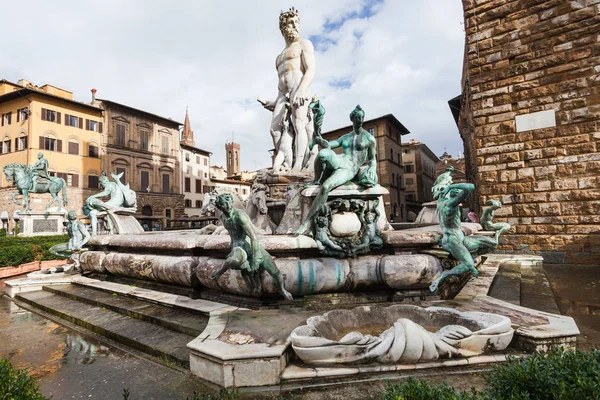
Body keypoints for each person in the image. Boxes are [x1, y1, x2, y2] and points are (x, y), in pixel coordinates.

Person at [294, 105, 377, 235]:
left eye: (362, 117)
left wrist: (372, 167)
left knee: (326, 186)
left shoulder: (369, 138)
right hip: (341, 159)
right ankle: (316, 180)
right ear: (352, 119)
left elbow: (372, 159)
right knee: (323, 154)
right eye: (357, 117)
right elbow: (329, 145)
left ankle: (307, 222)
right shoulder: (346, 137)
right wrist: (318, 139)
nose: (360, 119)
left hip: (350, 168)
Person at [259, 7, 315, 172]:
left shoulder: (304, 44)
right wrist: (274, 102)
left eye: (297, 22)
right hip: (283, 95)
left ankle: (299, 165)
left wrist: (302, 90)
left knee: (299, 125)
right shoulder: (279, 57)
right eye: (291, 23)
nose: (295, 26)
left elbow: (311, 70)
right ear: (284, 27)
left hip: (300, 89)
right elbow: (281, 82)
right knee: (275, 129)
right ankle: (285, 163)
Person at [210, 193, 293, 300]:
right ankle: (221, 273)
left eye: (228, 202)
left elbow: (254, 238)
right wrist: (231, 250)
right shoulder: (223, 218)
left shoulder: (240, 216)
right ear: (220, 206)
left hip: (251, 246)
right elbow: (232, 236)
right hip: (238, 248)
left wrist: (255, 258)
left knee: (275, 273)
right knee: (236, 263)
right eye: (223, 204)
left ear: (231, 202)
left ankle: (282, 290)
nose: (227, 205)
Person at [429, 182, 497, 293]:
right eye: (452, 190)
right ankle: (444, 275)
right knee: (469, 265)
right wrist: (451, 186)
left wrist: (450, 190)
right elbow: (470, 186)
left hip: (460, 237)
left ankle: (470, 256)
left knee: (493, 244)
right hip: (452, 240)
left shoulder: (441, 202)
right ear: (445, 193)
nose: (457, 191)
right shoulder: (450, 205)